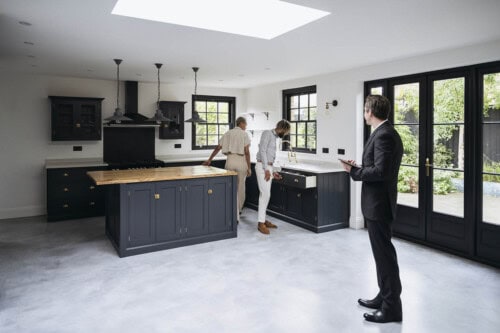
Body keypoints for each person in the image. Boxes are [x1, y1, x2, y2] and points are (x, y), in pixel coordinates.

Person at [340, 95, 404, 323]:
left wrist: (353, 172)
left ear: (370, 111)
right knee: (381, 255)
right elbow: (377, 167)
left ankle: (392, 308)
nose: (364, 113)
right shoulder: (382, 132)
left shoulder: (385, 135)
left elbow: (380, 172)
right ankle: (384, 296)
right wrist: (357, 166)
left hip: (379, 205)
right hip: (376, 204)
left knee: (385, 256)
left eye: (365, 110)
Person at [203, 116, 251, 219]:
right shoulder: (244, 134)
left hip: (230, 161)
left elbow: (217, 148)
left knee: (230, 187)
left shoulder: (227, 133)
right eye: (245, 124)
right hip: (241, 161)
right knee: (241, 187)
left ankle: (231, 210)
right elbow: (247, 152)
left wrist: (209, 159)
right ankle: (238, 210)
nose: (246, 126)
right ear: (241, 123)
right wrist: (249, 167)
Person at [255, 119, 291, 235]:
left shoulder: (274, 137)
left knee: (266, 195)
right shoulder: (267, 133)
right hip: (262, 167)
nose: (285, 134)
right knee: (265, 194)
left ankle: (263, 220)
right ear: (281, 128)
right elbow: (262, 151)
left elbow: (270, 157)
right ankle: (261, 223)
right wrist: (266, 169)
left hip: (267, 167)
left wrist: (272, 170)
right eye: (285, 132)